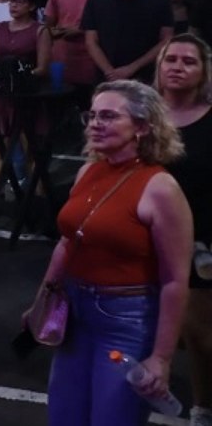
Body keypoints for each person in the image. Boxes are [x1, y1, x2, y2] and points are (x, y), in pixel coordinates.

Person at [30, 81, 191, 426]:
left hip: (127, 321)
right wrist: (41, 301)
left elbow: (176, 280)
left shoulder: (160, 187)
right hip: (76, 313)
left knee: (112, 418)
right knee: (64, 416)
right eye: (92, 116)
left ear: (142, 126)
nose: (95, 124)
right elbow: (67, 242)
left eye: (108, 116)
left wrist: (162, 358)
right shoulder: (88, 171)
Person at [155, 34, 212, 426]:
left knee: (201, 336)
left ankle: (203, 406)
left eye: (188, 61)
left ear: (204, 72)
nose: (177, 66)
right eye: (171, 59)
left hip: (202, 241)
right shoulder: (143, 116)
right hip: (147, 237)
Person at [0, 0, 51, 185]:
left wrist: (21, 75)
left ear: (31, 6)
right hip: (2, 95)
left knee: (29, 148)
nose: (13, 5)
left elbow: (43, 67)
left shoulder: (40, 30)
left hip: (26, 96)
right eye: (11, 1)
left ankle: (34, 197)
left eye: (19, 1)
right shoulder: (1, 27)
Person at [45, 0, 108, 106]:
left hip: (91, 67)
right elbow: (48, 26)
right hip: (61, 65)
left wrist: (81, 31)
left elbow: (110, 31)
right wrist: (55, 32)